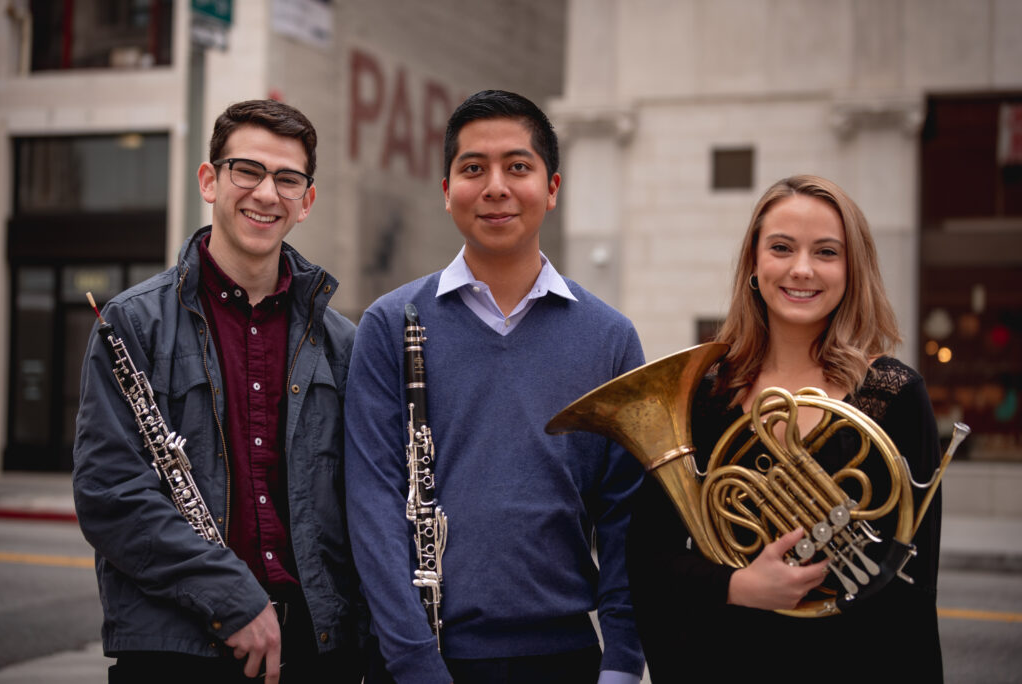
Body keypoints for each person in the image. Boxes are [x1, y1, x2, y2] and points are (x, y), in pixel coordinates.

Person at [344, 90, 647, 684]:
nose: (496, 187)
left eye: (518, 166)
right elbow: (373, 503)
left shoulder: (609, 337)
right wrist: (412, 662)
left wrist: (623, 660)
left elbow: (625, 518)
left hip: (565, 659)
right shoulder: (388, 322)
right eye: (473, 169)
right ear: (446, 189)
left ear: (553, 188)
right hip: (421, 659)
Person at [73, 99, 367, 683]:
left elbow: (361, 506)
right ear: (210, 180)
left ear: (306, 201)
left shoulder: (343, 343)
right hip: (176, 650)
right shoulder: (132, 324)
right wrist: (231, 597)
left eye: (287, 179)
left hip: (314, 651)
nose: (266, 193)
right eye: (247, 171)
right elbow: (109, 492)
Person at [626, 175, 945, 682]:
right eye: (781, 248)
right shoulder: (705, 397)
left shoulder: (895, 395)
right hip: (728, 661)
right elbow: (648, 557)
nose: (802, 269)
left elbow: (914, 586)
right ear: (755, 263)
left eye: (826, 252)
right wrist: (738, 586)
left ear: (851, 269)